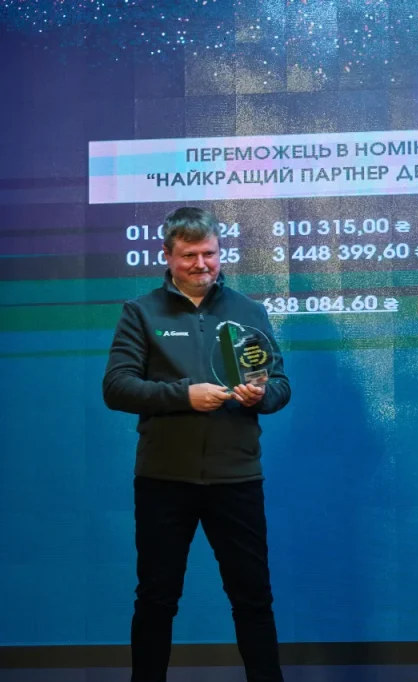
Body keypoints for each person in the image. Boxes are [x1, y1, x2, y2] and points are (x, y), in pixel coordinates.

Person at [102, 206, 290, 682]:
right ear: (167, 256)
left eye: (209, 253)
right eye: (189, 255)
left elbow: (280, 386)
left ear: (220, 253)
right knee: (156, 600)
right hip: (164, 480)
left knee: (254, 599)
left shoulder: (249, 311)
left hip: (237, 478)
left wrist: (261, 395)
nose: (201, 264)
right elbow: (117, 387)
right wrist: (185, 396)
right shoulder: (141, 312)